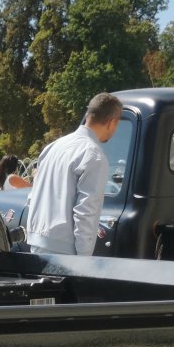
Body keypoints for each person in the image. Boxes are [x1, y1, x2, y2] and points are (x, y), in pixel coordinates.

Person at [24, 93, 121, 255]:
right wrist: (83, 261)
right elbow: (86, 212)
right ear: (112, 122)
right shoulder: (94, 155)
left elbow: (32, 197)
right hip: (65, 250)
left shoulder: (53, 147)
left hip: (37, 242)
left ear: (89, 116)